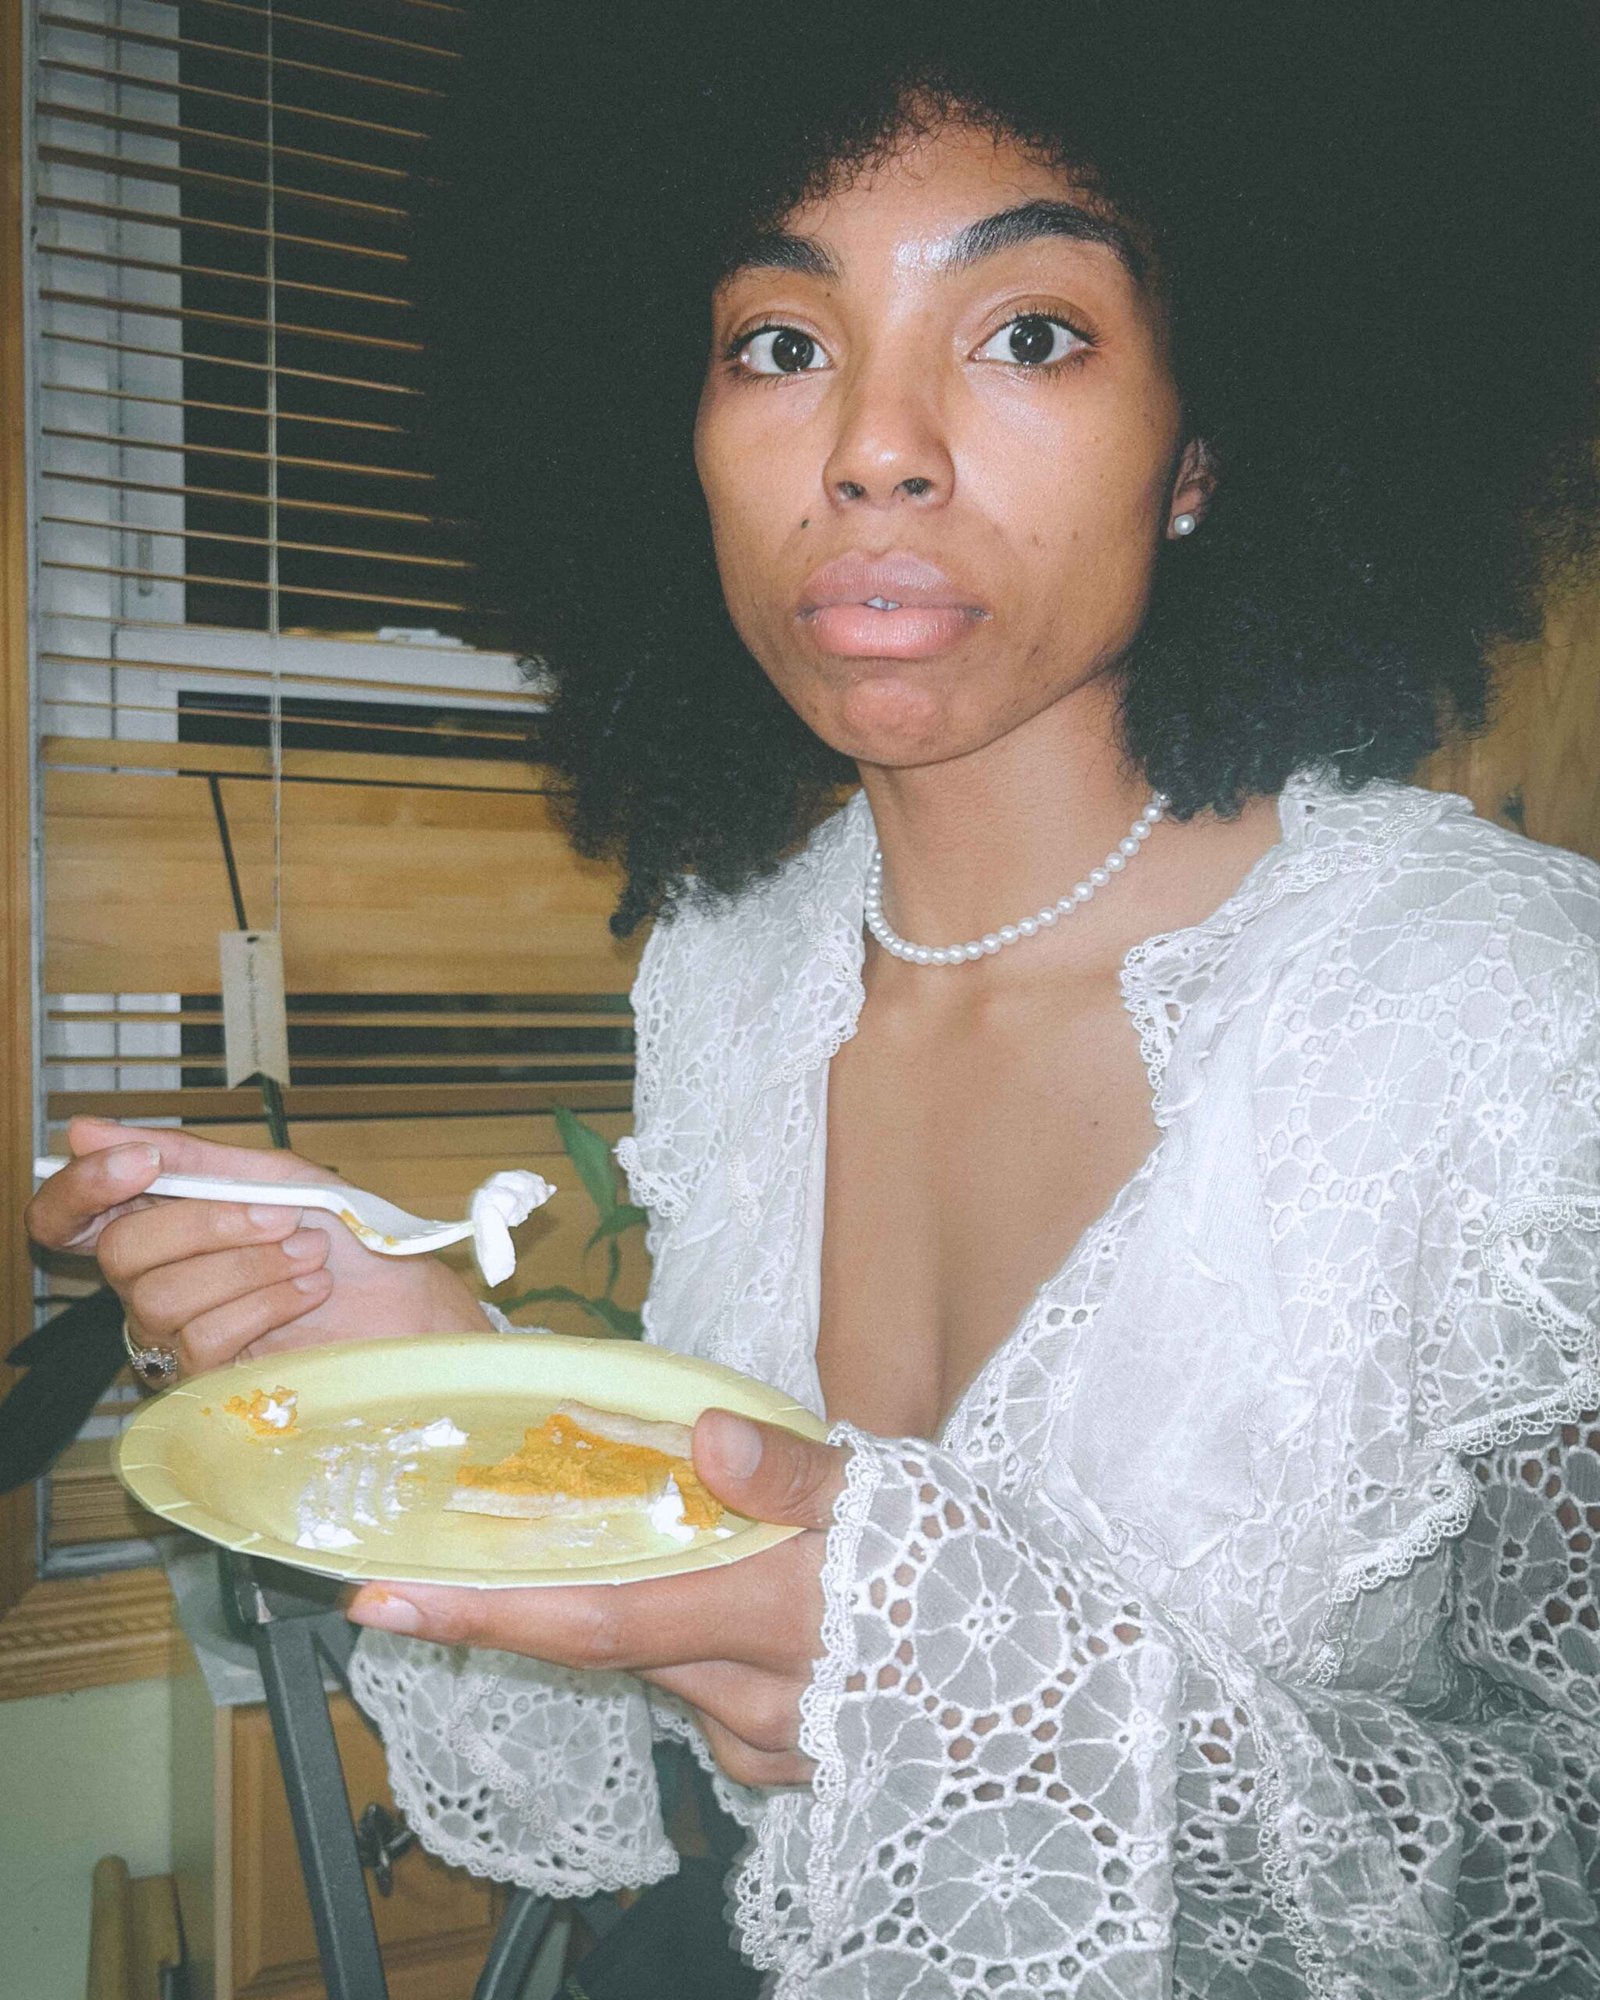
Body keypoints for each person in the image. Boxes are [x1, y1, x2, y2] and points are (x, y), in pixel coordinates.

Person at [25, 7, 1600, 1995]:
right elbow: (714, 1660)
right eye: (779, 341)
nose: (868, 445)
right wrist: (429, 1372)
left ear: (1201, 449)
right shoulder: (736, 968)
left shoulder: (1514, 1021)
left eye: (1026, 331)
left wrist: (1002, 1704)